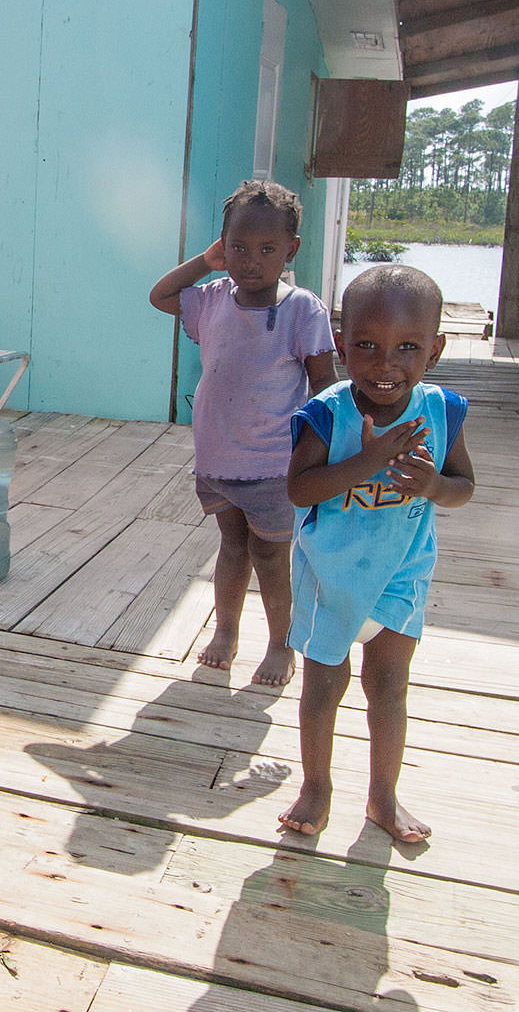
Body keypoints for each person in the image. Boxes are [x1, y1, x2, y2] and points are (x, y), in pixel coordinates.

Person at [276, 264, 475, 843]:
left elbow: (464, 487)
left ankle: (383, 798)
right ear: (340, 343)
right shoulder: (328, 412)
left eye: (407, 347)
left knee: (388, 686)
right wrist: (369, 460)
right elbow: (299, 489)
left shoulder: (442, 412)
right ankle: (317, 788)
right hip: (328, 577)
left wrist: (432, 485)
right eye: (366, 345)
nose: (386, 365)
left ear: (435, 349)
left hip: (401, 574)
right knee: (324, 686)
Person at [150, 180, 337, 686]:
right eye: (238, 247)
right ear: (223, 245)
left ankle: (281, 644)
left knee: (272, 557)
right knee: (232, 547)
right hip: (216, 462)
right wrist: (204, 262)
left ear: (291, 250)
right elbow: (160, 294)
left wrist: (326, 459)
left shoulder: (303, 310)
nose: (250, 260)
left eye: (267, 250)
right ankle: (226, 633)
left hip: (275, 467)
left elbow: (325, 388)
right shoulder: (211, 300)